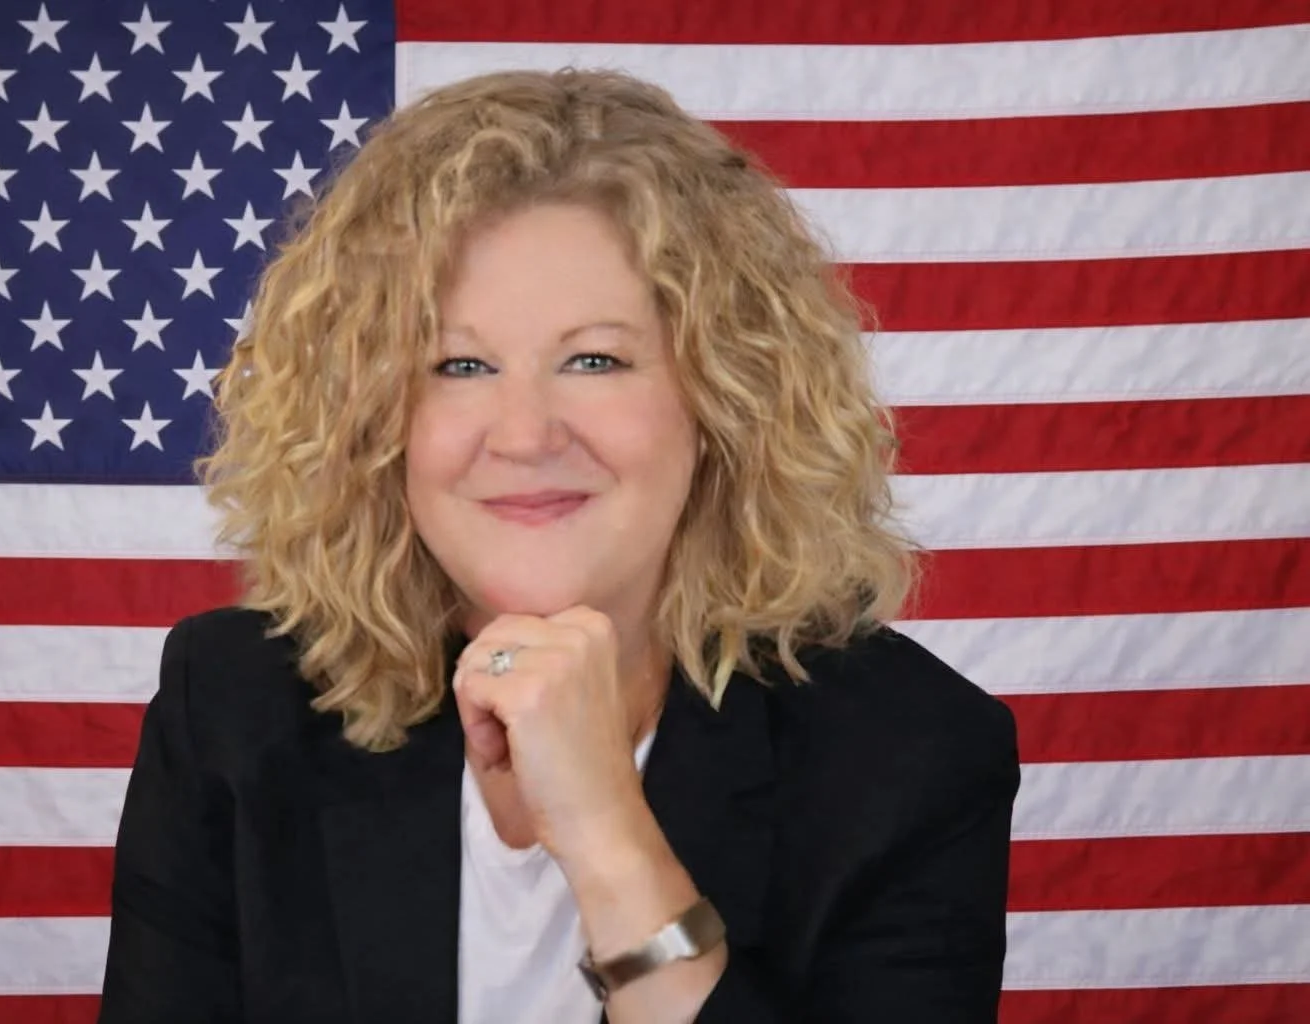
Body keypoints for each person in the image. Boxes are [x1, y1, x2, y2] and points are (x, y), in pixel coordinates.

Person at [98, 68, 1020, 1023]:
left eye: (595, 359)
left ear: (724, 401)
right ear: (371, 419)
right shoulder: (234, 708)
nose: (525, 434)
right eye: (460, 364)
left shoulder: (910, 754)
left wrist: (607, 834)